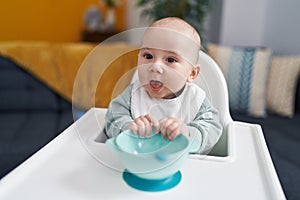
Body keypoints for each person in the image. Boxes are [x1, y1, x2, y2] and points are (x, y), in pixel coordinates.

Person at [104, 17, 222, 154]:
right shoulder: (133, 94)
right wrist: (128, 128)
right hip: (140, 162)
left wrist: (187, 132)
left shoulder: (196, 99)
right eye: (148, 56)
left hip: (185, 165)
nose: (155, 67)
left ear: (192, 73)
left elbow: (213, 127)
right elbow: (112, 118)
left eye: (170, 60)